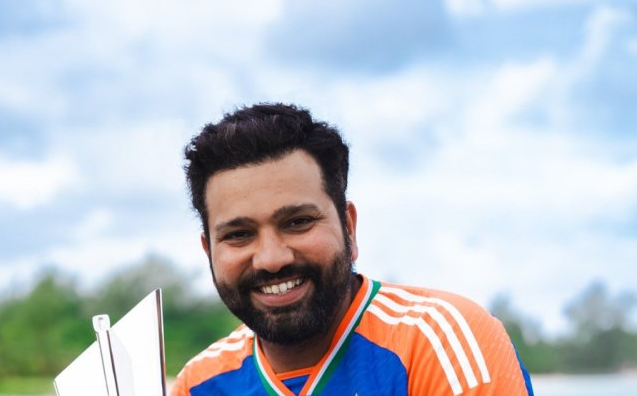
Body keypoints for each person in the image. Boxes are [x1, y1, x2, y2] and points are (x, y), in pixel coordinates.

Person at [171, 103, 534, 396]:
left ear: (349, 227)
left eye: (297, 222)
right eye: (238, 234)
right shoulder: (199, 384)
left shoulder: (440, 343)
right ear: (209, 251)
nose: (272, 259)